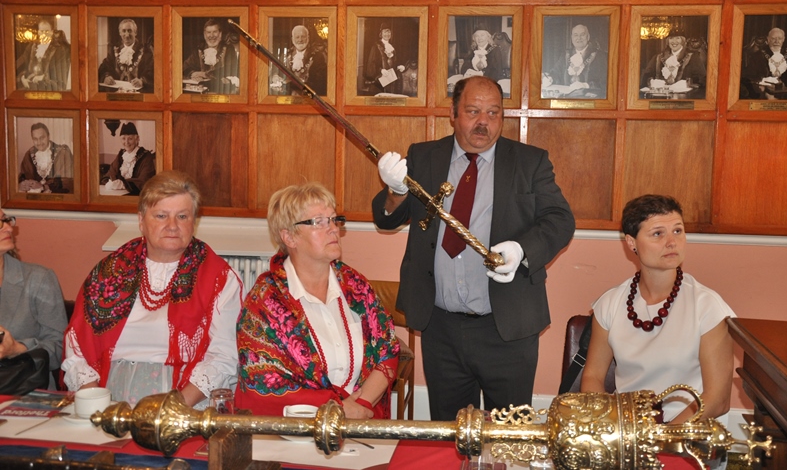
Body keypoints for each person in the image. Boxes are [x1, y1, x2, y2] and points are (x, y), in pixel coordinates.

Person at [372, 76, 575, 420]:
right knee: (450, 432)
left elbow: (560, 220)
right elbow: (387, 218)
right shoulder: (424, 157)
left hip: (507, 327)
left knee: (509, 433)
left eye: (493, 113)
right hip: (440, 327)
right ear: (453, 114)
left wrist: (522, 250)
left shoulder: (530, 162)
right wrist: (396, 191)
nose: (484, 122)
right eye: (473, 111)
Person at [62, 171, 243, 408]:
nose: (172, 226)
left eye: (182, 216)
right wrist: (95, 403)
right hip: (107, 397)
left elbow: (224, 357)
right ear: (141, 220)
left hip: (185, 401)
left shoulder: (219, 278)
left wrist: (174, 408)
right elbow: (76, 346)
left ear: (194, 222)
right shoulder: (109, 272)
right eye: (161, 216)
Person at [236, 182, 400, 418]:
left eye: (334, 219)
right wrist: (339, 409)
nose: (333, 229)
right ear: (289, 237)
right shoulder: (264, 303)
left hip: (362, 420)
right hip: (294, 428)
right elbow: (264, 383)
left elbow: (388, 349)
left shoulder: (355, 285)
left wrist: (362, 405)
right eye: (319, 222)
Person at [581, 195, 735, 424]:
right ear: (631, 242)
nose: (672, 242)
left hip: (687, 431)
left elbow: (718, 399)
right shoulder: (610, 302)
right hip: (628, 428)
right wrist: (614, 426)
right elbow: (592, 377)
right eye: (658, 233)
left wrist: (663, 437)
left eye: (678, 231)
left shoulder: (708, 306)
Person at [0, 213, 68, 390]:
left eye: (6, 220)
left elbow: (61, 348)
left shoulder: (38, 279)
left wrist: (17, 348)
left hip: (25, 391)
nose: (9, 228)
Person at [542, 23, 608, 98]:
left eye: (582, 34)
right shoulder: (566, 55)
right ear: (572, 38)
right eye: (575, 35)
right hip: (566, 98)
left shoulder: (600, 56)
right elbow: (556, 72)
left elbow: (605, 82)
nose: (579, 38)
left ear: (588, 37)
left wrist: (586, 85)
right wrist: (550, 78)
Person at [183, 18, 240, 95]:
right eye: (208, 32)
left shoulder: (228, 49)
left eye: (215, 32)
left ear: (220, 34)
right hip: (201, 92)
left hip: (221, 90)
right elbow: (185, 66)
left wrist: (205, 74)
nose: (211, 36)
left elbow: (230, 70)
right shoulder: (199, 49)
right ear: (204, 35)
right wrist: (193, 74)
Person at [98, 19, 154, 93]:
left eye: (130, 31)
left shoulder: (146, 51)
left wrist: (142, 81)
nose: (127, 35)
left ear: (135, 32)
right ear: (120, 33)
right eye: (124, 31)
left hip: (138, 93)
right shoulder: (114, 50)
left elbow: (152, 72)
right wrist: (106, 77)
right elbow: (104, 68)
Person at [100, 122, 156, 196]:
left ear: (137, 139)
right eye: (123, 138)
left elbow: (144, 180)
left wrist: (123, 184)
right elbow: (111, 172)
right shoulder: (121, 154)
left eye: (130, 139)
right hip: (118, 193)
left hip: (136, 194)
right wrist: (111, 182)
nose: (126, 142)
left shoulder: (146, 156)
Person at [269, 25, 327, 96]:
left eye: (303, 36)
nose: (300, 40)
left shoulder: (318, 56)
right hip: (288, 98)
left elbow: (320, 83)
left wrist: (291, 83)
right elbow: (276, 73)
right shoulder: (285, 55)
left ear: (308, 38)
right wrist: (275, 77)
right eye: (297, 37)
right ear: (292, 39)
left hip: (308, 98)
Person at [16, 18, 71, 92]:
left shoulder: (59, 49)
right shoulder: (31, 46)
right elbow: (23, 64)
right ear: (38, 32)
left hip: (49, 88)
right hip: (31, 86)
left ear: (51, 32)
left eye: (47, 31)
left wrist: (43, 77)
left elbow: (60, 73)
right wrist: (23, 78)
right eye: (42, 31)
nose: (44, 34)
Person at [18, 122, 74, 194]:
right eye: (35, 139)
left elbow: (69, 181)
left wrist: (44, 187)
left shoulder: (63, 153)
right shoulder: (29, 155)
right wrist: (22, 184)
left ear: (48, 136)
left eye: (42, 138)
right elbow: (23, 176)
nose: (39, 142)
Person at [640, 31, 706, 91]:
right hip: (661, 96)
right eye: (671, 38)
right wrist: (652, 82)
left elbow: (702, 79)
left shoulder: (693, 57)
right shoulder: (658, 58)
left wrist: (686, 84)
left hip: (684, 97)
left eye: (678, 38)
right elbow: (645, 77)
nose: (674, 41)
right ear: (667, 41)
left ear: (683, 41)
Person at [741, 27, 787, 99]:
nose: (776, 41)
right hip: (766, 91)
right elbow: (748, 75)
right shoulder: (758, 55)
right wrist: (762, 81)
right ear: (768, 39)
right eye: (773, 38)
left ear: (783, 39)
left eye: (779, 38)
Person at [364, 24, 406, 95]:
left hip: (391, 80)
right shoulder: (376, 46)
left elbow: (393, 63)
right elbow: (371, 64)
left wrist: (398, 66)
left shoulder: (392, 47)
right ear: (381, 34)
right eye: (385, 32)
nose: (387, 34)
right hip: (379, 81)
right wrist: (380, 70)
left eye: (389, 32)